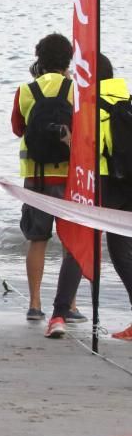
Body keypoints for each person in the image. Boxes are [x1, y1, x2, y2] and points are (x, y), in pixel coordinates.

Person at [45, 55, 132, 338]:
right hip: (128, 185)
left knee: (77, 244)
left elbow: (85, 149)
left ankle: (58, 316)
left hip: (101, 183)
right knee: (122, 254)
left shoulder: (89, 105)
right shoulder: (127, 98)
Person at [10, 33, 84, 323]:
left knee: (37, 239)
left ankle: (35, 303)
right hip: (70, 176)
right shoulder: (76, 90)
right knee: (71, 242)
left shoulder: (26, 90)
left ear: (39, 59)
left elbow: (18, 129)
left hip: (36, 176)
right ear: (68, 60)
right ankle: (71, 305)